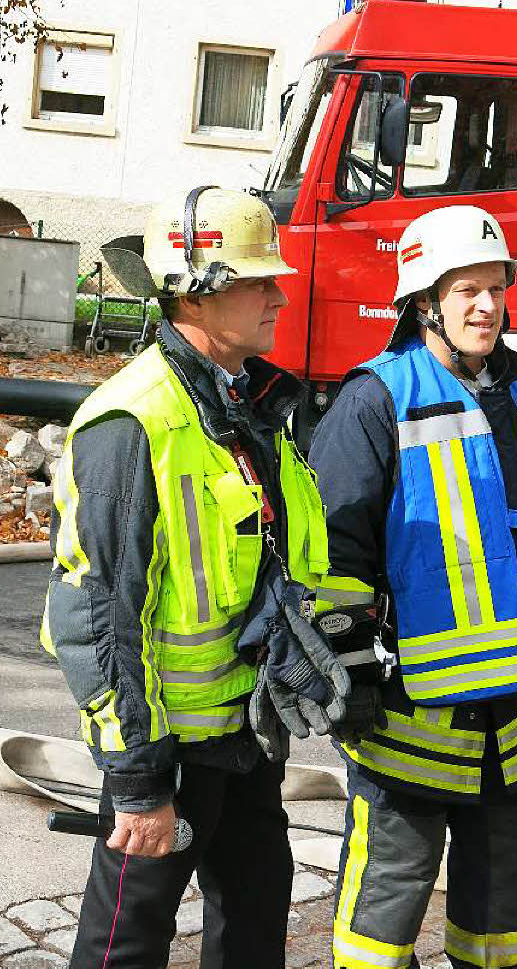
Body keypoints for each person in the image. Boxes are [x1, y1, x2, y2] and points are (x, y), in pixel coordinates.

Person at [41, 186, 350, 969]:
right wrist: (140, 783)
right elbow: (101, 616)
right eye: (258, 280)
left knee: (253, 919)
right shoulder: (133, 422)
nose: (280, 296)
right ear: (199, 288)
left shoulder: (243, 410)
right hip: (169, 746)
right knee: (126, 940)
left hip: (244, 733)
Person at [308, 205, 517, 969]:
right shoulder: (375, 400)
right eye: (465, 288)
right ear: (423, 300)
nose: (486, 306)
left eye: (495, 288)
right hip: (413, 718)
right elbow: (332, 554)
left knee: (501, 936)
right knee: (378, 930)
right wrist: (352, 671)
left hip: (515, 720)